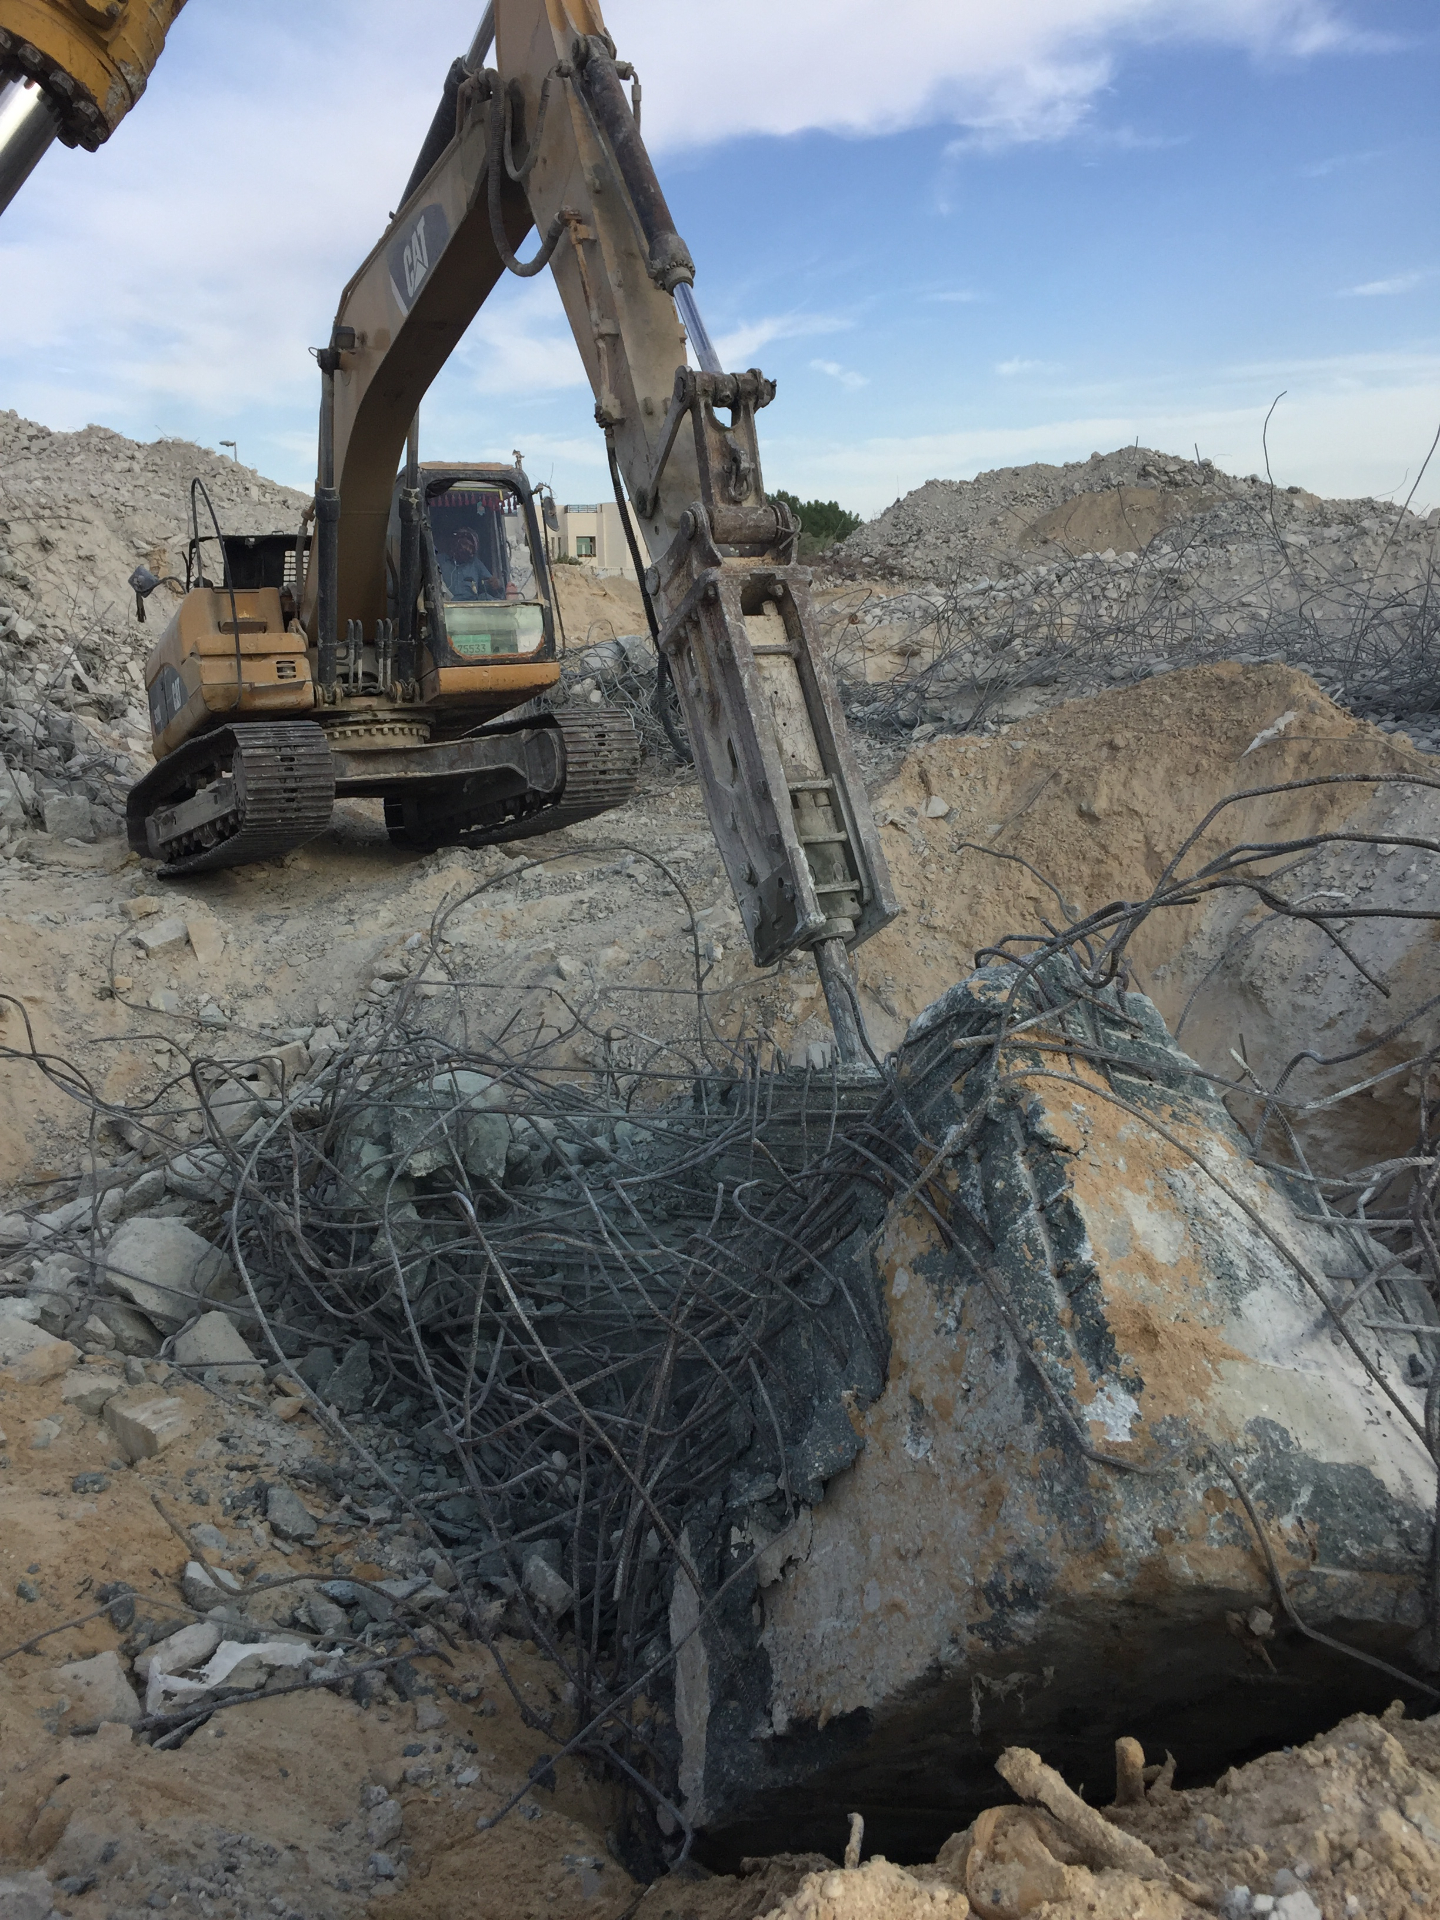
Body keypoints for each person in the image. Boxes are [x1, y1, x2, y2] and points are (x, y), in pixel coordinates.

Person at [439, 525, 502, 601]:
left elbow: (489, 584)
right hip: (444, 607)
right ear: (456, 542)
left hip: (471, 609)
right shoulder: (440, 560)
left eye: (471, 547)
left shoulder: (475, 564)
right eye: (465, 544)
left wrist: (496, 584)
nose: (467, 549)